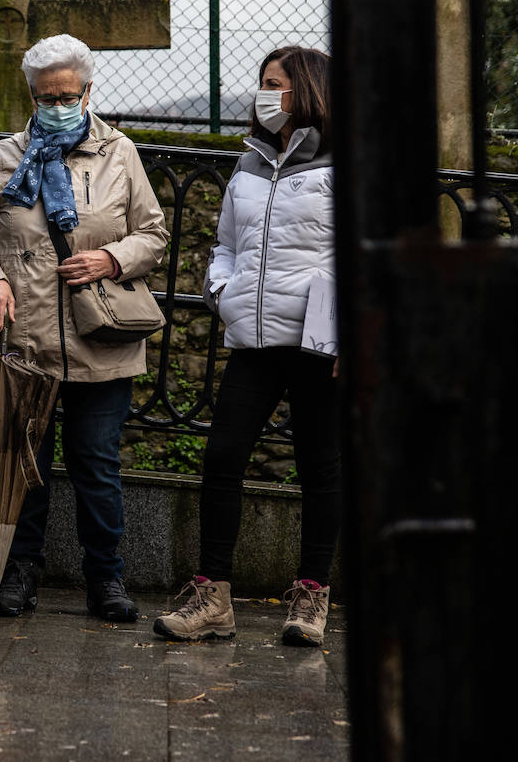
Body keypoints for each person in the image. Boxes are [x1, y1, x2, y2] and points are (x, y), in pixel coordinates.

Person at [0, 33, 169, 623]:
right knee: (25, 466)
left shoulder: (120, 153)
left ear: (88, 91)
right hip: (23, 340)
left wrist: (111, 258)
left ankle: (106, 579)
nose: (57, 106)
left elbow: (154, 234)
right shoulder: (5, 156)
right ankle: (19, 574)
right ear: (32, 95)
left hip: (101, 340)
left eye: (68, 95)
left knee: (97, 466)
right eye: (46, 97)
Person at [153, 46, 341, 648]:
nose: (264, 93)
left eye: (273, 83)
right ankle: (213, 599)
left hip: (317, 343)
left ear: (306, 90)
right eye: (262, 82)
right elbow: (226, 245)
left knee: (319, 467)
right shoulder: (249, 164)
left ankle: (311, 598)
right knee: (222, 457)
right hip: (254, 339)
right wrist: (222, 290)